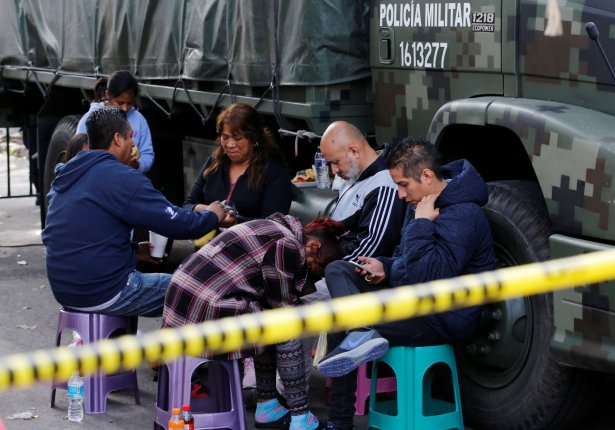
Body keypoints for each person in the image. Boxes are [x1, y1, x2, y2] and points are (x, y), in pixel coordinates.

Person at [317, 137, 495, 430]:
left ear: (426, 176)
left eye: (403, 185)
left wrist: (422, 224)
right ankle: (360, 331)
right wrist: (385, 267)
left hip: (440, 317)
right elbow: (407, 261)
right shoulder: (421, 201)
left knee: (341, 324)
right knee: (339, 269)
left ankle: (339, 422)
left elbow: (428, 276)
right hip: (411, 299)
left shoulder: (464, 214)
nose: (399, 194)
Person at [42, 107, 235, 318]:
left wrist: (132, 251)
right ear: (117, 139)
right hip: (104, 291)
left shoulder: (69, 173)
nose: (134, 145)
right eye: (130, 137)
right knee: (201, 288)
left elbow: (82, 236)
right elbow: (174, 222)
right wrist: (212, 216)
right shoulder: (120, 176)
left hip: (65, 291)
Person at [163, 214, 347, 430]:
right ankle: (301, 418)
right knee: (288, 327)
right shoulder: (287, 245)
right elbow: (283, 309)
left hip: (185, 303)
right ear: (313, 247)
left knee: (269, 319)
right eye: (318, 269)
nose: (314, 276)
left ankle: (267, 406)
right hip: (204, 309)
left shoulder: (275, 228)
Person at [183, 102, 292, 223]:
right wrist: (210, 212)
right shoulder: (214, 163)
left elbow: (272, 224)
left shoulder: (274, 171)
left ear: (254, 138)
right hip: (210, 240)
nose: (230, 145)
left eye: (238, 138)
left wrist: (235, 222)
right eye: (225, 137)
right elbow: (187, 206)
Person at [319, 121, 405, 262]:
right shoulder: (353, 174)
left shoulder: (383, 183)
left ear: (354, 151)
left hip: (347, 271)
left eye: (335, 162)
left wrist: (325, 266)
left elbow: (372, 249)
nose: (333, 170)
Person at [76, 71, 154, 173]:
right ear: (107, 94)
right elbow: (79, 152)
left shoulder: (139, 121)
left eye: (129, 103)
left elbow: (147, 154)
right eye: (120, 103)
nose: (125, 108)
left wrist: (137, 165)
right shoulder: (91, 119)